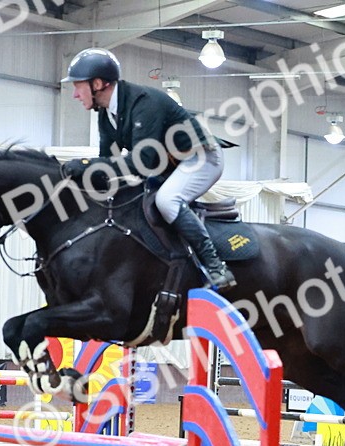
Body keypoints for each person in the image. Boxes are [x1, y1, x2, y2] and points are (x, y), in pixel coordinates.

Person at [60, 48, 236, 291]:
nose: (74, 95)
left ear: (98, 83)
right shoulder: (106, 115)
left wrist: (86, 165)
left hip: (201, 158)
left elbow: (138, 162)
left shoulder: (144, 103)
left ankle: (216, 266)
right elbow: (107, 167)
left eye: (77, 86)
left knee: (167, 200)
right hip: (169, 166)